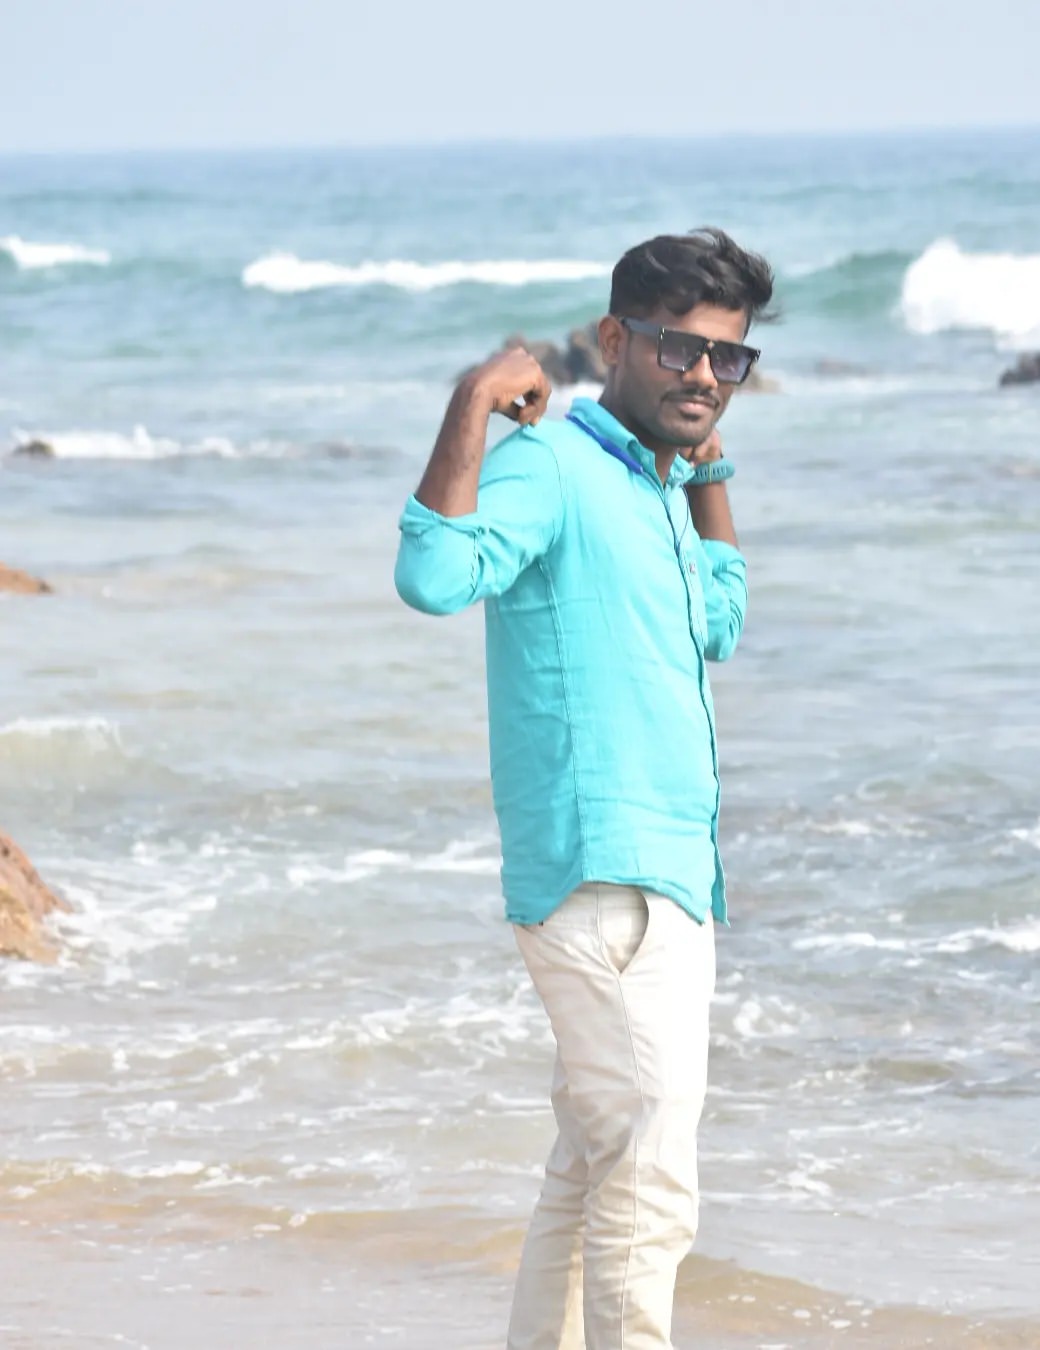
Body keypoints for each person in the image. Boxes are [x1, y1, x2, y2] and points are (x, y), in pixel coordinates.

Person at [394, 228, 774, 1350]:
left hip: (670, 879)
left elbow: (720, 620)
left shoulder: (655, 484)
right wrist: (472, 402)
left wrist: (708, 476)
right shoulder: (552, 465)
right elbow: (433, 572)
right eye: (679, 348)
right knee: (651, 1178)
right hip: (603, 880)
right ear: (614, 340)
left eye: (728, 358)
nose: (704, 375)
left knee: (598, 1163)